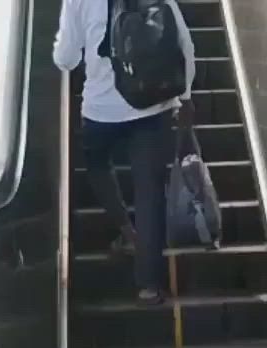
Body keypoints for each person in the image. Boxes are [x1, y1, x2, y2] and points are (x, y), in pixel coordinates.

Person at [53, 0, 196, 305]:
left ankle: (126, 230)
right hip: (155, 106)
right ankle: (148, 285)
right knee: (150, 195)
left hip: (100, 110)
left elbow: (65, 57)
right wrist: (185, 96)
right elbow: (184, 43)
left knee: (96, 164)